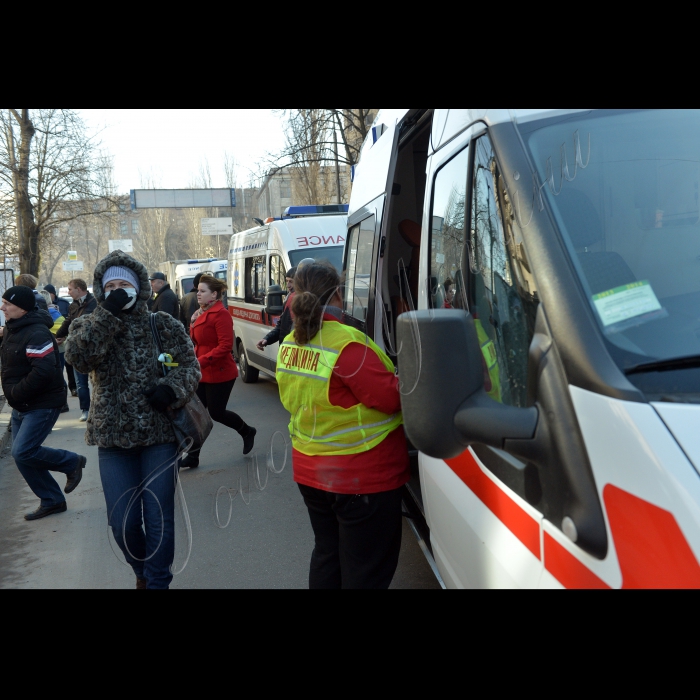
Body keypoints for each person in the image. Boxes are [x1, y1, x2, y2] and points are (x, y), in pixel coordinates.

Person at [65, 251, 200, 589]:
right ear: (100, 290)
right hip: (113, 441)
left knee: (159, 519)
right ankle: (141, 570)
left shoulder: (162, 323)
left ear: (139, 287)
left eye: (123, 284)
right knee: (122, 524)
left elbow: (189, 367)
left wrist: (170, 389)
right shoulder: (88, 323)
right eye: (110, 286)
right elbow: (79, 358)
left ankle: (157, 582)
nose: (117, 291)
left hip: (159, 438)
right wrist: (106, 314)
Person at [276, 261, 410, 589]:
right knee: (365, 571)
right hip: (360, 476)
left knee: (328, 554)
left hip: (311, 472)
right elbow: (392, 399)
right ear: (338, 294)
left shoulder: (292, 343)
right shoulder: (346, 344)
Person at [0, 285, 86, 521]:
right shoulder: (13, 328)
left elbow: (44, 371)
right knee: (22, 456)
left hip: (41, 403)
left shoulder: (37, 333)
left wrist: (16, 392)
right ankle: (52, 500)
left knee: (23, 450)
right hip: (22, 404)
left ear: (24, 309)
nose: (2, 307)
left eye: (7, 304)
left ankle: (71, 461)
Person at [183, 274, 256, 469]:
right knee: (197, 414)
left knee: (217, 412)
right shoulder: (200, 313)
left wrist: (201, 361)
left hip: (220, 372)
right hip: (203, 371)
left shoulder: (221, 314)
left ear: (214, 294)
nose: (198, 294)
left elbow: (225, 346)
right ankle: (193, 456)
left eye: (202, 291)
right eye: (197, 290)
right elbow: (197, 342)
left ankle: (247, 431)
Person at [56, 279, 96, 421]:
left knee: (97, 382)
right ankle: (85, 410)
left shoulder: (95, 303)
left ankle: (97, 409)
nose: (68, 292)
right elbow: (68, 321)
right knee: (81, 383)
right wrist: (59, 335)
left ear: (79, 289)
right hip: (77, 349)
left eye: (70, 289)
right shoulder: (73, 306)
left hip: (93, 350)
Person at [44, 284, 77, 397]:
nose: (68, 292)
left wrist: (60, 337)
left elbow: (66, 322)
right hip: (59, 343)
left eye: (70, 289)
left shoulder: (62, 304)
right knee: (58, 373)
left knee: (60, 372)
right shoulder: (54, 310)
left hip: (61, 344)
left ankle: (70, 390)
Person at [39, 290, 69, 414]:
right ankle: (63, 403)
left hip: (55, 347)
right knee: (58, 375)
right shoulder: (55, 311)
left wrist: (56, 338)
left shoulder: (48, 312)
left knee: (56, 376)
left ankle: (61, 403)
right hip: (58, 347)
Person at [256, 266, 296, 352]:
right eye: (287, 281)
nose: (288, 285)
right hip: (286, 352)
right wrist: (267, 339)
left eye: (291, 282)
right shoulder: (289, 298)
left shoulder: (306, 301)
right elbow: (282, 326)